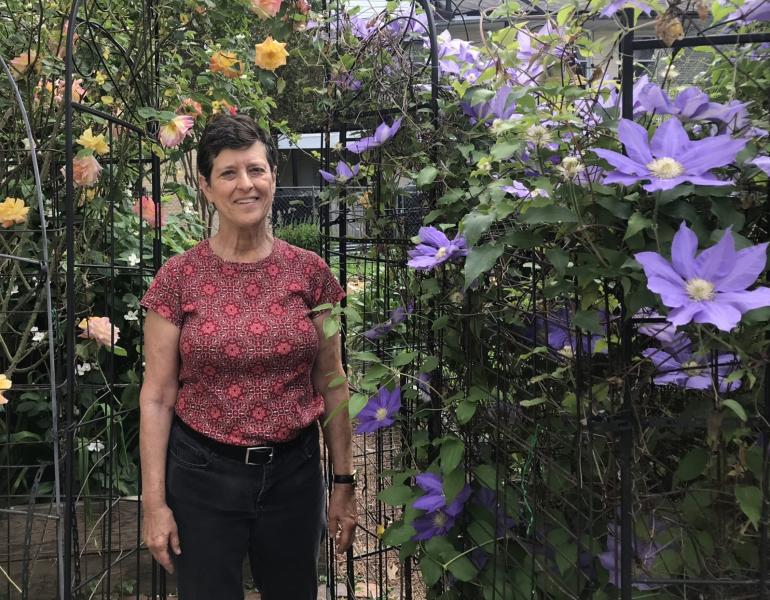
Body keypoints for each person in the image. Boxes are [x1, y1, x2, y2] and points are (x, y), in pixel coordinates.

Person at [138, 113, 357, 600]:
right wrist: (154, 503)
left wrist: (343, 482)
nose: (246, 185)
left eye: (257, 170)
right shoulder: (178, 279)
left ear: (273, 177)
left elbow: (332, 381)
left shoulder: (311, 274)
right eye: (229, 173)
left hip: (294, 476)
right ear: (206, 186)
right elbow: (157, 396)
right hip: (203, 476)